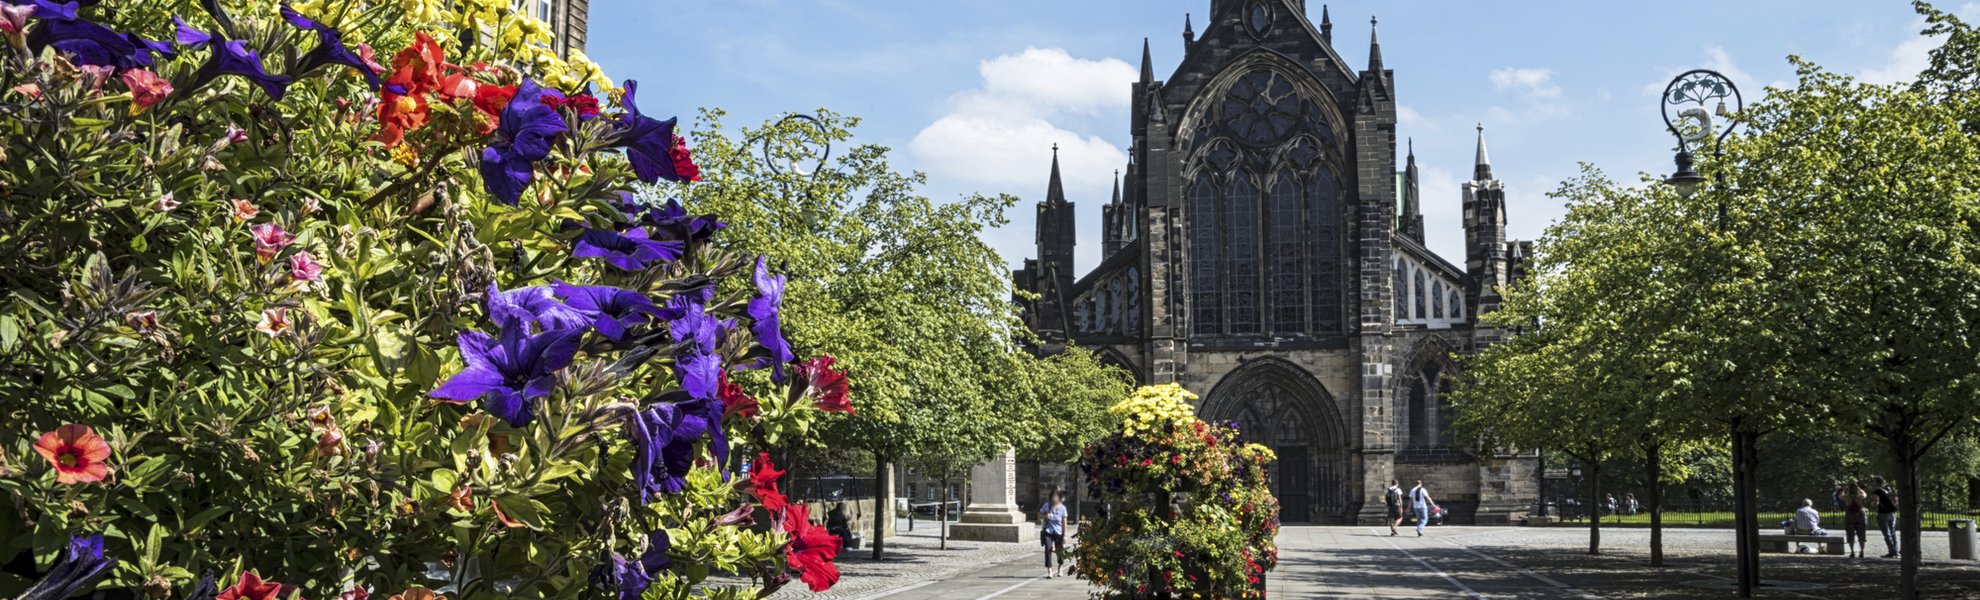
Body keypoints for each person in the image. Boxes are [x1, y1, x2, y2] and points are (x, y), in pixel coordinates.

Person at [1039, 489, 1070, 578]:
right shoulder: (1047, 506)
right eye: (1053, 497)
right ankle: (1050, 571)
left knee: (1059, 551)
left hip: (1058, 532)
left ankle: (1060, 568)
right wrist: (1045, 516)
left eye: (1056, 497)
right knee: (1048, 549)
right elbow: (1038, 515)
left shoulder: (1063, 508)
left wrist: (1064, 535)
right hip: (1048, 531)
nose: (1054, 499)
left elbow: (1064, 522)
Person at [1873, 476, 1900, 558]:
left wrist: (1873, 504)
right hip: (1892, 513)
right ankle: (1896, 551)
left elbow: (1876, 503)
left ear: (1876, 482)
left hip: (1883, 513)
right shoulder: (1889, 488)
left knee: (1887, 534)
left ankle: (1891, 551)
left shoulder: (1877, 491)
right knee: (1893, 533)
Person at [1842, 482, 1869, 558]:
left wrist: (1844, 489)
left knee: (1850, 534)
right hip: (1859, 516)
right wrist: (1859, 489)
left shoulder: (1847, 496)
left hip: (1850, 516)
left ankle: (1852, 551)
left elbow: (1840, 496)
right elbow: (1865, 495)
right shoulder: (1859, 496)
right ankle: (1861, 551)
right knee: (1861, 534)